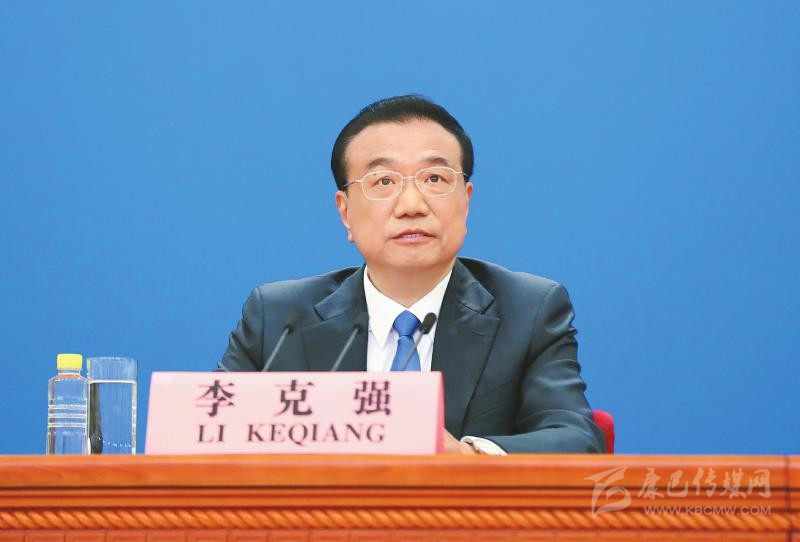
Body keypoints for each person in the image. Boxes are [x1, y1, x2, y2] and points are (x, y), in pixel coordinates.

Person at [219, 95, 605, 455]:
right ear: (345, 212)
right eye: (384, 182)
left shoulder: (528, 311)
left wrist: (467, 457)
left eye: (434, 179)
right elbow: (209, 436)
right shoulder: (278, 318)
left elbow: (575, 439)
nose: (411, 205)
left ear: (466, 200)